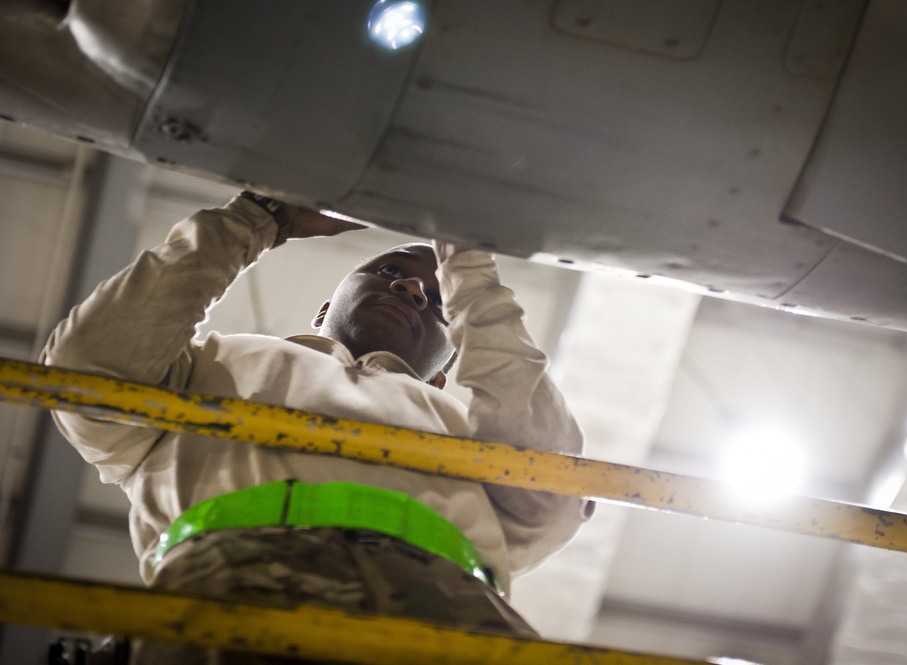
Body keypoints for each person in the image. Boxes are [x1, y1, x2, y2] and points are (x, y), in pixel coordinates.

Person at [41, 192, 591, 664]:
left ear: (447, 371)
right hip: (233, 582)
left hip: (445, 607)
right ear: (324, 308)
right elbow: (88, 369)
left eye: (441, 302)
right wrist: (258, 218)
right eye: (391, 271)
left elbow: (552, 492)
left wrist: (470, 271)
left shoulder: (469, 430)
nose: (411, 291)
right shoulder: (206, 364)